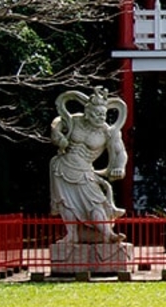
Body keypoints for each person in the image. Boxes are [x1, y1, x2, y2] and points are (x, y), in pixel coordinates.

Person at [49, 87, 128, 243]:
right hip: (62, 167)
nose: (100, 118)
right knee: (67, 204)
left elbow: (120, 153)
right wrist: (57, 135)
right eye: (96, 114)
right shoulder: (75, 121)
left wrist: (120, 167)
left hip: (85, 171)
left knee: (96, 203)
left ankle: (108, 234)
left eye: (103, 114)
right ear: (87, 112)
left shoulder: (108, 132)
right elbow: (57, 122)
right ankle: (71, 234)